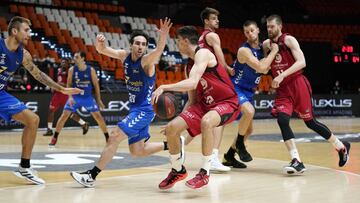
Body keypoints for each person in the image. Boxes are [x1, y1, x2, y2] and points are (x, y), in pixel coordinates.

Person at [70, 18, 173, 188]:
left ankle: (91, 176)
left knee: (114, 136)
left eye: (144, 44)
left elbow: (159, 51)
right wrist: (99, 43)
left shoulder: (146, 62)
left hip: (144, 110)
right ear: (131, 44)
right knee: (137, 151)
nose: (141, 47)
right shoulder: (123, 56)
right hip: (136, 109)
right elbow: (102, 50)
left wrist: (163, 36)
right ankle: (172, 145)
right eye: (138, 43)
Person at [152, 26, 241, 190]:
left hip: (226, 102)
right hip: (204, 105)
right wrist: (180, 119)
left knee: (207, 122)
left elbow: (192, 82)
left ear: (186, 41)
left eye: (178, 41)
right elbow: (192, 100)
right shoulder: (188, 66)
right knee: (172, 128)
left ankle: (204, 172)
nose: (177, 45)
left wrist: (164, 86)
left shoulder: (203, 53)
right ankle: (177, 170)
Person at [0, 16, 82, 185]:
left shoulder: (23, 54)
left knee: (33, 120)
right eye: (26, 30)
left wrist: (62, 89)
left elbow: (38, 74)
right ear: (14, 31)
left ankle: (24, 167)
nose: (29, 34)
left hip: (1, 95)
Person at [264, 14, 350, 174]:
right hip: (283, 89)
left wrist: (282, 74)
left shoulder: (289, 40)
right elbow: (266, 66)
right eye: (267, 27)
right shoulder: (266, 44)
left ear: (280, 26)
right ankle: (297, 160)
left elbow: (302, 62)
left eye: (272, 26)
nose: (269, 29)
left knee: (310, 122)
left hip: (297, 84)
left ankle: (341, 146)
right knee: (282, 120)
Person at [220, 20, 279, 168]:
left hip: (249, 90)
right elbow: (262, 68)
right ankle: (240, 144)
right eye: (246, 32)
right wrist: (274, 51)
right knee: (249, 111)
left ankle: (229, 156)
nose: (250, 34)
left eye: (252, 30)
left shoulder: (262, 48)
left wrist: (270, 48)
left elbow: (266, 66)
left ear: (258, 30)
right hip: (235, 87)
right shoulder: (244, 51)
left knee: (249, 130)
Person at [183, 7, 234, 172]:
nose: (217, 21)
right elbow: (219, 58)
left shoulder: (200, 38)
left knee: (201, 114)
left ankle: (179, 144)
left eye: (217, 18)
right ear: (206, 21)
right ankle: (213, 156)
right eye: (213, 18)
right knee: (220, 116)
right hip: (210, 77)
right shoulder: (212, 35)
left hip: (196, 72)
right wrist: (228, 70)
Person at [48, 51, 109, 146]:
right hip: (75, 97)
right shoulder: (72, 69)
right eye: (74, 57)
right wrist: (70, 97)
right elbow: (68, 84)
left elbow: (96, 85)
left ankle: (107, 138)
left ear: (83, 58)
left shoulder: (91, 70)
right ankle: (54, 137)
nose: (74, 58)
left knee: (98, 117)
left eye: (76, 57)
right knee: (64, 116)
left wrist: (98, 100)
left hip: (87, 97)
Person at [43, 58, 89, 136]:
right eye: (62, 62)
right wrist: (53, 86)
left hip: (66, 94)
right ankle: (49, 130)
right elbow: (58, 81)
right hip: (58, 94)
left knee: (70, 114)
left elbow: (69, 84)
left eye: (65, 62)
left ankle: (84, 124)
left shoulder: (70, 72)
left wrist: (57, 85)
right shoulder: (59, 70)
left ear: (68, 64)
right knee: (51, 110)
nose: (63, 63)